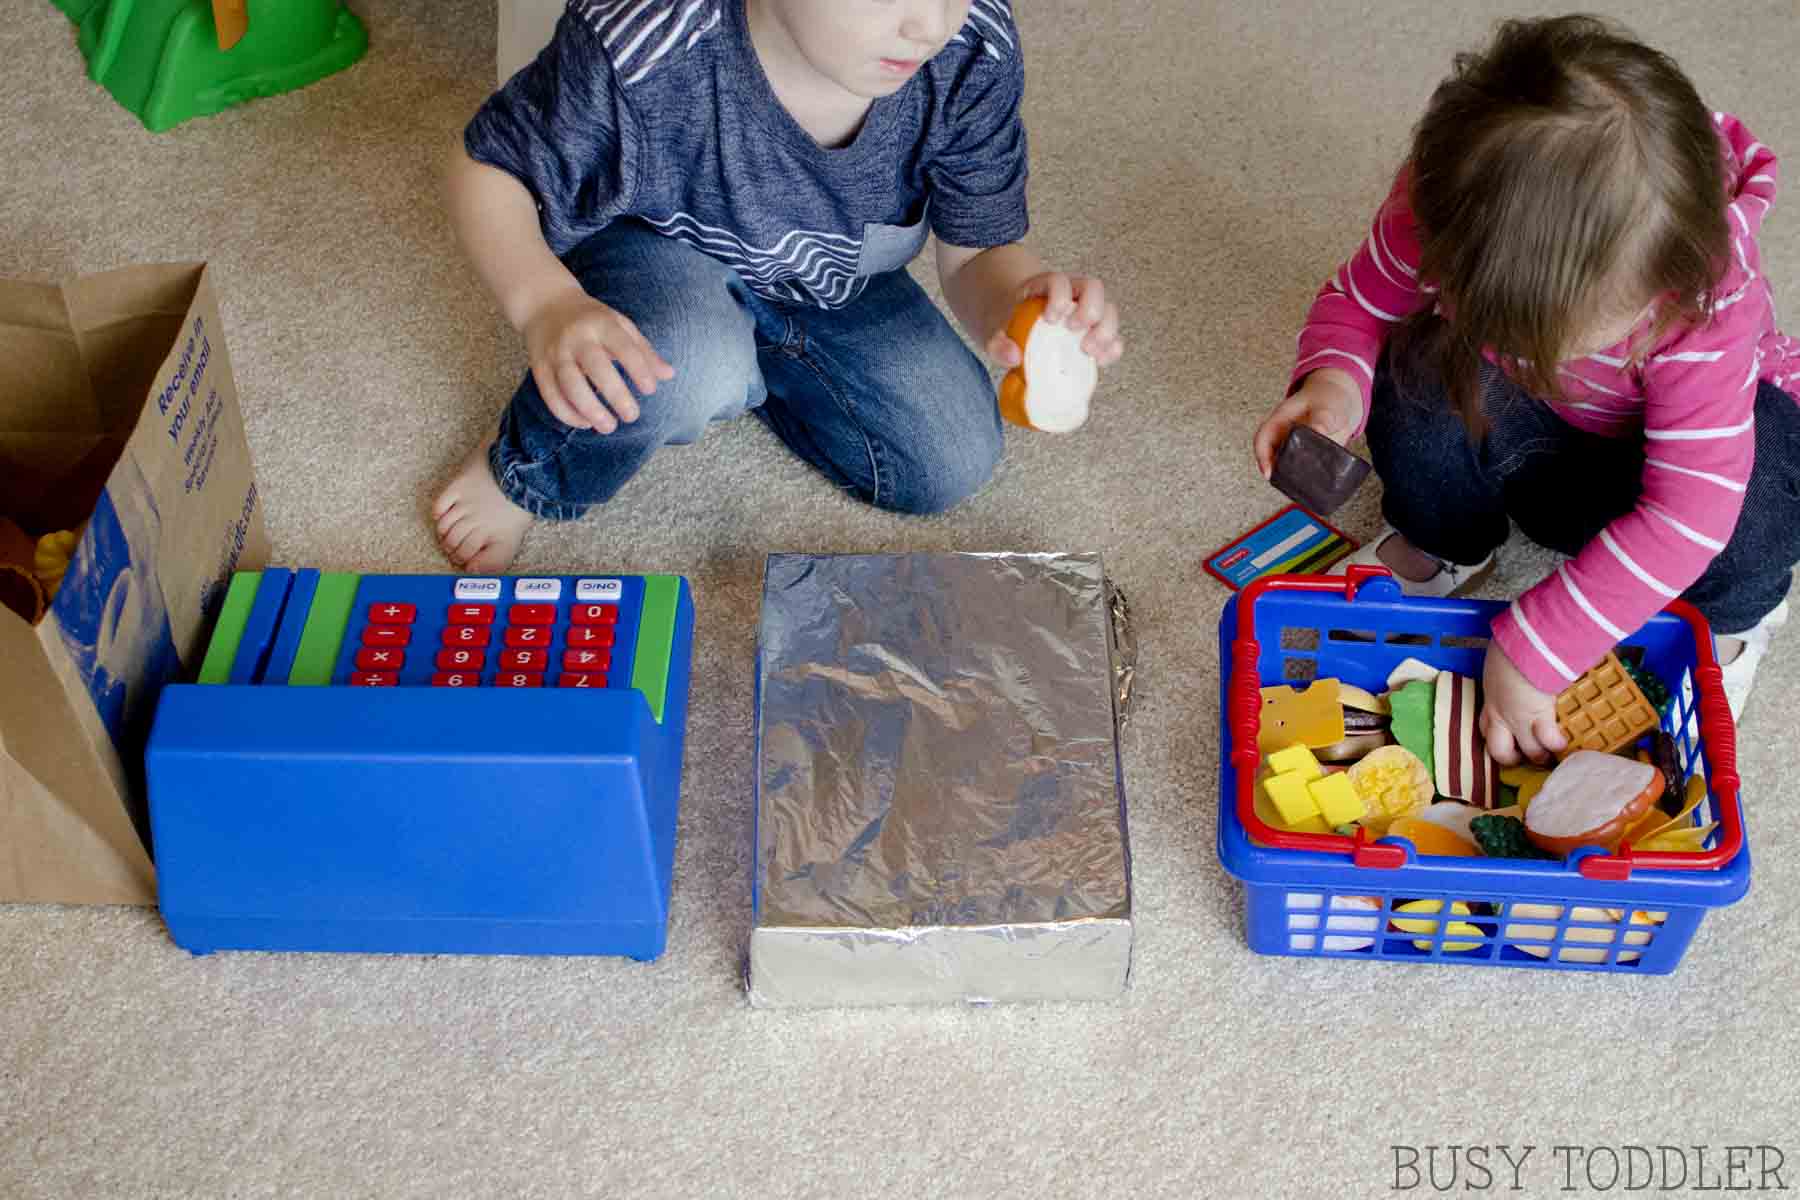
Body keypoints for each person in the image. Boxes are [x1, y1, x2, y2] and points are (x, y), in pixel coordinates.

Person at [1253, 15, 1799, 749]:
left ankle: (1729, 627)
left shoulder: (1703, 298)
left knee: (1758, 502)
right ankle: (1446, 539)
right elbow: (1360, 303)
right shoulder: (1437, 210)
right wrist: (1333, 386)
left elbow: (1687, 514)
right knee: (1417, 364)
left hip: (1683, 471)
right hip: (1539, 446)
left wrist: (1535, 646)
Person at [434, 0, 1123, 572]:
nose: (930, 24)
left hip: (833, 278)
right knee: (679, 366)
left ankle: (751, 353)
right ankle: (523, 475)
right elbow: (487, 168)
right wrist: (546, 303)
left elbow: (978, 255)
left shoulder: (972, 49)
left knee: (950, 458)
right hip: (658, 246)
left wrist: (1022, 302)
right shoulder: (644, 43)